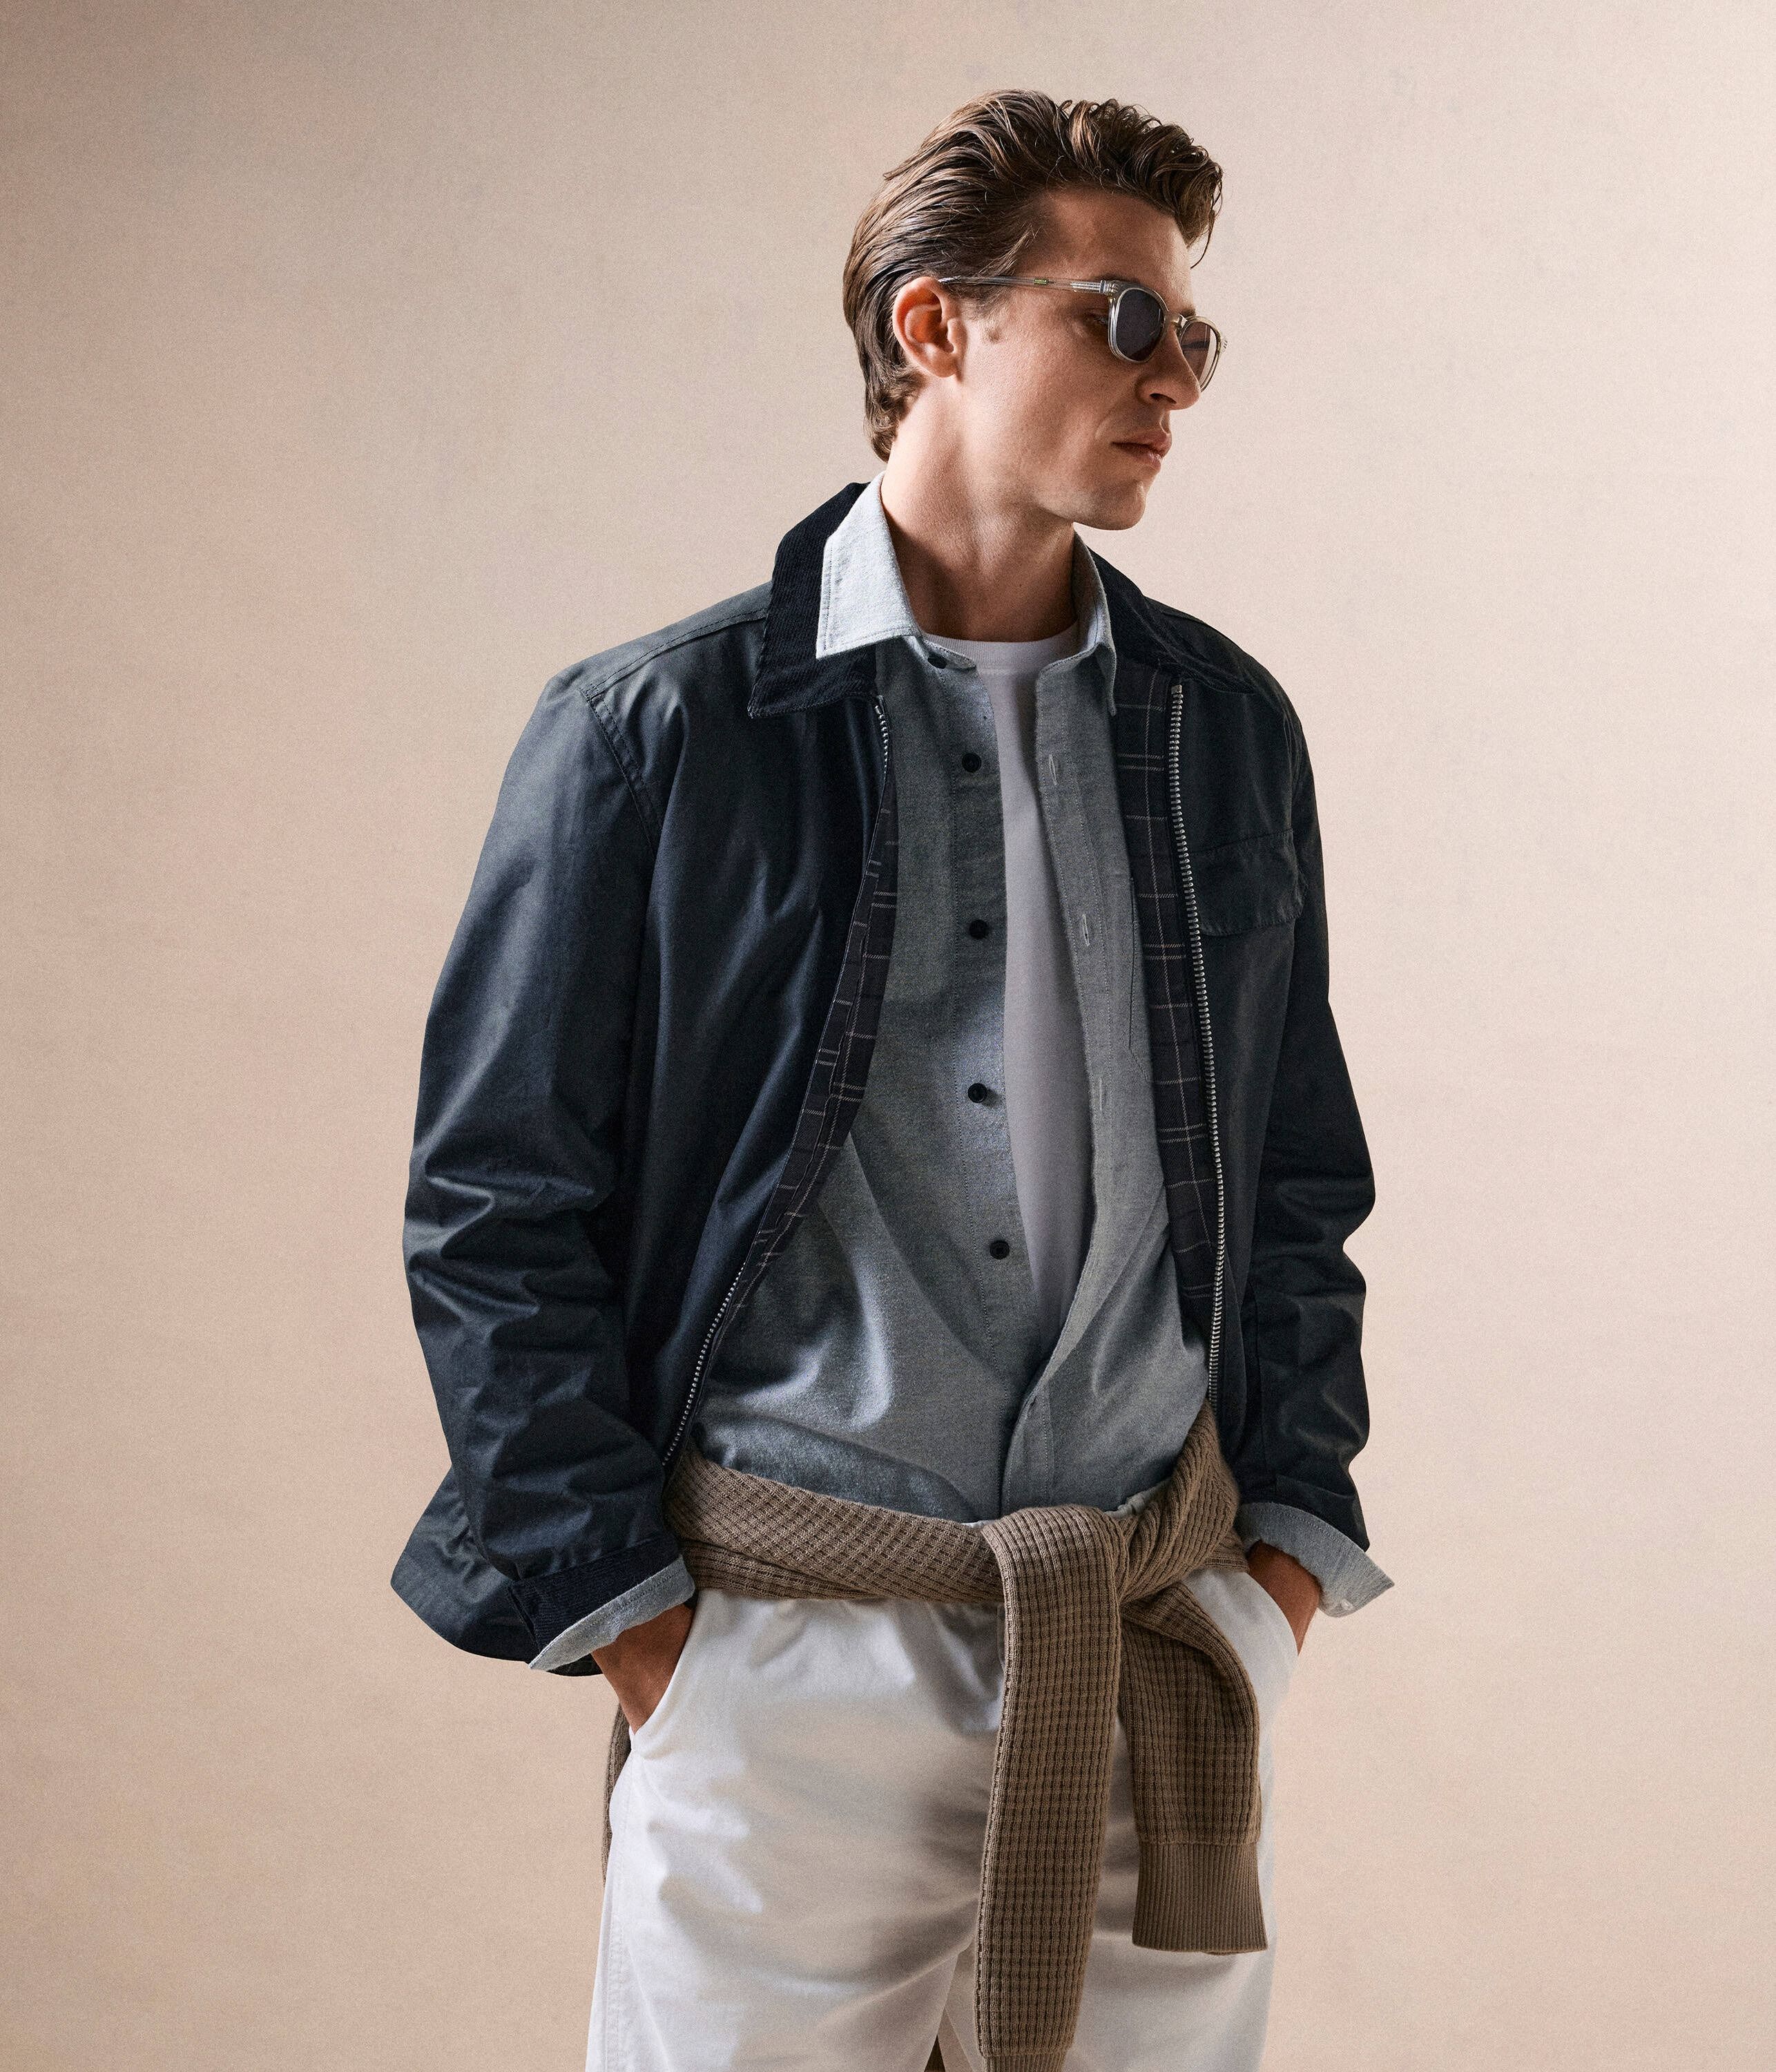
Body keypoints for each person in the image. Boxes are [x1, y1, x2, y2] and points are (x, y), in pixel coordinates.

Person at [393, 88, 1391, 2072]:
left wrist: (1276, 1564)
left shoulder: (1222, 728)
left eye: (1194, 338)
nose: (1172, 380)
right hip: (784, 1655)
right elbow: (495, 1200)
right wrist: (649, 1633)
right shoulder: (657, 731)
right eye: (1123, 320)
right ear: (935, 327)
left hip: (1151, 1646)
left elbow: (1297, 1175)